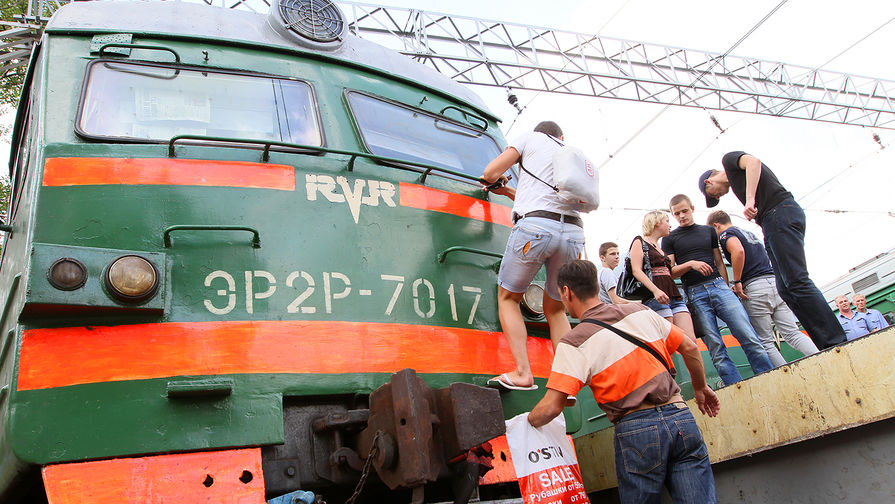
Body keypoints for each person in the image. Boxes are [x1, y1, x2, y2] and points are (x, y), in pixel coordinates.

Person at [528, 259, 721, 503]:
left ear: (566, 292)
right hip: (680, 416)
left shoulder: (574, 341)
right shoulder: (641, 312)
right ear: (597, 287)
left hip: (636, 428)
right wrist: (700, 387)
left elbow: (552, 406)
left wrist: (525, 423)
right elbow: (690, 348)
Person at [699, 152, 847, 349]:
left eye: (713, 194)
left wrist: (750, 200)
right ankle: (824, 342)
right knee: (786, 288)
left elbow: (753, 161)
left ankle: (835, 340)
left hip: (779, 213)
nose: (718, 197)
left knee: (797, 280)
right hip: (771, 221)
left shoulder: (728, 161)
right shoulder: (736, 183)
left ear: (709, 181)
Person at [480, 121, 585, 390]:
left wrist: (495, 182)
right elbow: (547, 200)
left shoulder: (529, 138)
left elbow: (489, 172)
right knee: (555, 309)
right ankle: (567, 380)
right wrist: (508, 191)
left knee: (508, 298)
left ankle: (523, 373)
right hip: (573, 233)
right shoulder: (570, 152)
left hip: (536, 229)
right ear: (561, 136)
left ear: (539, 133)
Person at [663, 194, 772, 386]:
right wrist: (691, 264)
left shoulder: (708, 231)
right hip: (695, 294)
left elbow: (720, 262)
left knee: (748, 335)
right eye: (676, 213)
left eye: (684, 211)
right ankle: (736, 388)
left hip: (719, 287)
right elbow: (670, 272)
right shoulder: (670, 239)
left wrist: (726, 285)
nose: (681, 216)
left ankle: (769, 381)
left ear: (693, 208)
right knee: (716, 348)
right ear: (672, 215)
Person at [706, 210, 819, 366]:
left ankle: (785, 376)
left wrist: (737, 280)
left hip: (754, 287)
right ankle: (820, 358)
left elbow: (738, 251)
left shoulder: (726, 235)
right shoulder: (748, 234)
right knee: (792, 333)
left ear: (716, 226)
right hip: (774, 283)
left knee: (765, 341)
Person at [628, 211, 697, 344]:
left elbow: (670, 271)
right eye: (667, 221)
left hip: (674, 294)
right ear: (657, 222)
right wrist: (655, 290)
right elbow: (636, 270)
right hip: (656, 297)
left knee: (690, 340)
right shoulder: (639, 241)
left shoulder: (660, 247)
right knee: (667, 342)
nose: (670, 225)